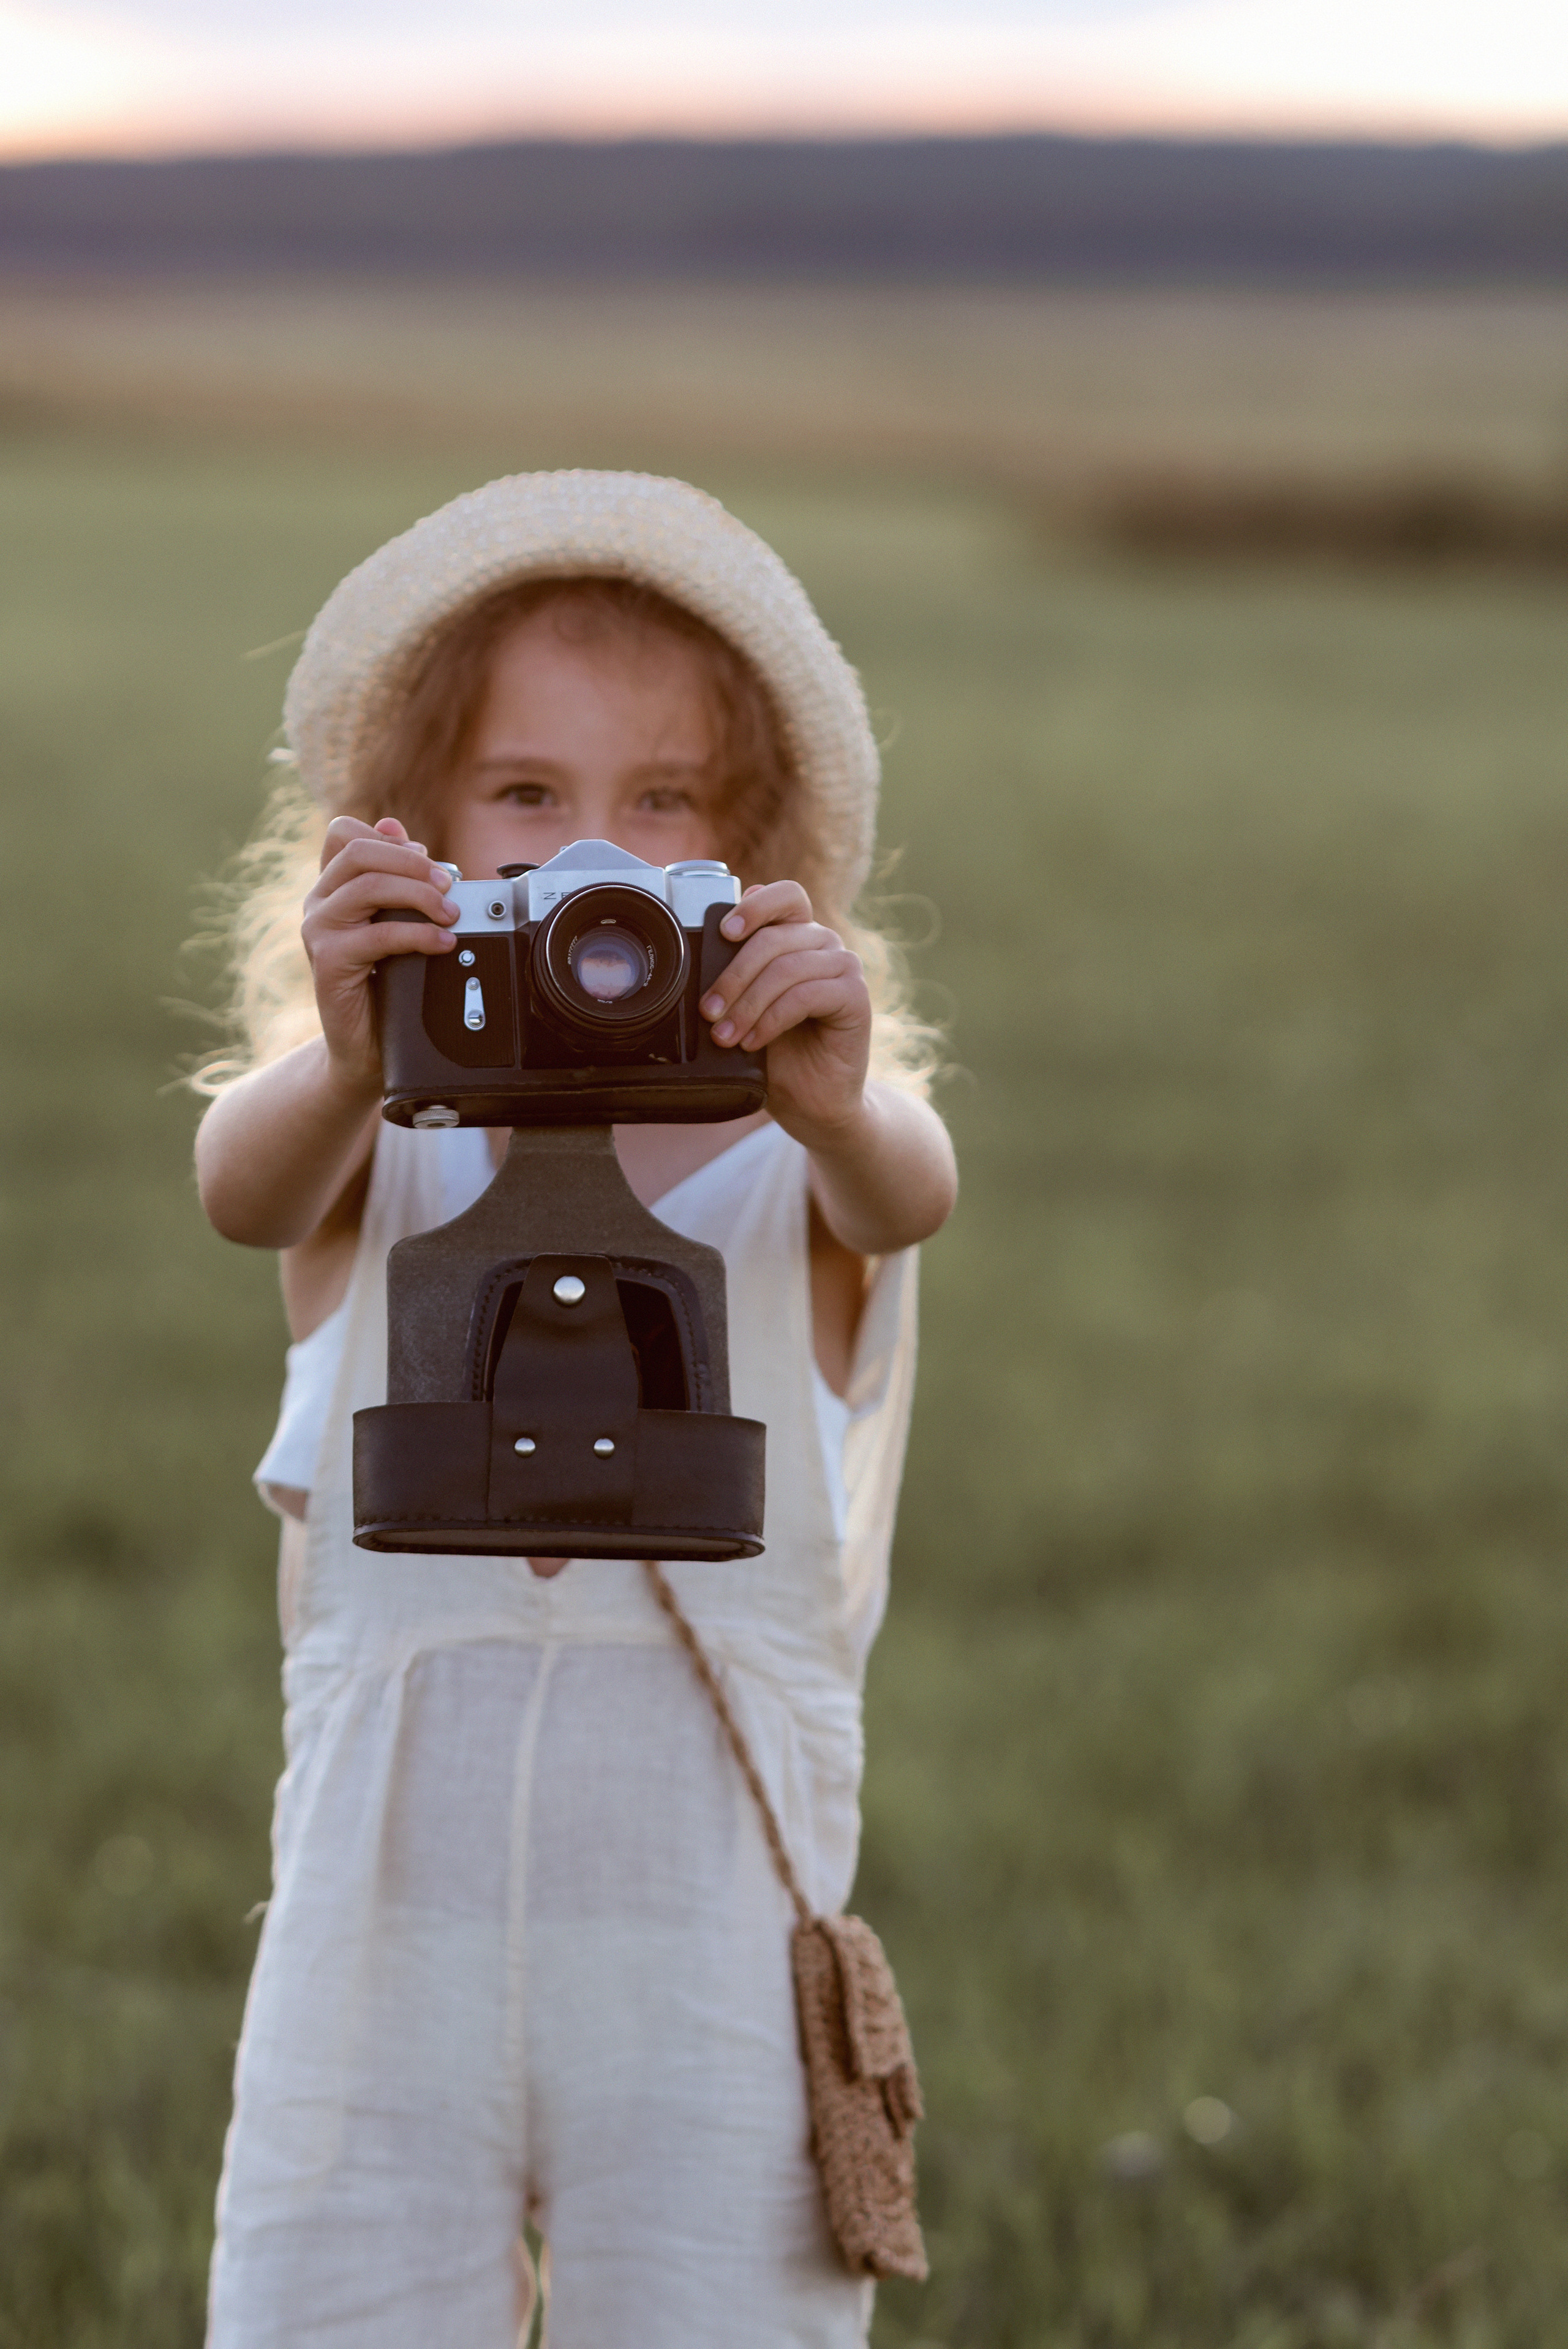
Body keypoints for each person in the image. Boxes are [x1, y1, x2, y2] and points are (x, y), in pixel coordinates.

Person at [193, 471, 957, 2349]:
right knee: (329, 2303)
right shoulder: (378, 1125)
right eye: (527, 794)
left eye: (663, 802)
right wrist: (355, 1049)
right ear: (415, 828)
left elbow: (908, 1192)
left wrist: (832, 1091)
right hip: (385, 1923)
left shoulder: (801, 1152)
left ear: (747, 855)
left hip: (702, 1929)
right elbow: (240, 1187)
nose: (591, 855)